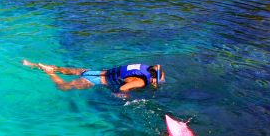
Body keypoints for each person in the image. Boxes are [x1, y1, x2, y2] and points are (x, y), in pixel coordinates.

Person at [20, 60, 164, 94]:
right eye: (156, 81)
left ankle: (32, 64)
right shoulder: (140, 82)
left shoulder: (141, 68)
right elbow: (123, 87)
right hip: (94, 80)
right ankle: (49, 73)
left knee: (62, 70)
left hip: (94, 71)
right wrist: (125, 99)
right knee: (63, 87)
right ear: (152, 78)